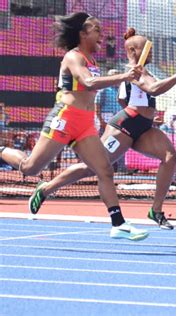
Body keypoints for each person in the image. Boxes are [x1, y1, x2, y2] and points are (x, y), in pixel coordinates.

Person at [25, 27, 176, 230]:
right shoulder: (133, 72)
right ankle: (46, 189)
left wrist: (148, 114)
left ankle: (156, 210)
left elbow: (123, 98)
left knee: (170, 156)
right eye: (146, 49)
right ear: (133, 51)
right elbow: (153, 89)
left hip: (143, 127)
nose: (150, 53)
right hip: (123, 127)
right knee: (92, 167)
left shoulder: (144, 71)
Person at [0, 12, 148, 240]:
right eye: (96, 29)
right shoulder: (73, 56)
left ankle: (118, 224)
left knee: (105, 170)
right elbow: (88, 82)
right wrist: (124, 76)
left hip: (84, 124)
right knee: (30, 168)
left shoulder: (93, 60)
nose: (101, 34)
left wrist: (126, 76)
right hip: (65, 119)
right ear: (82, 34)